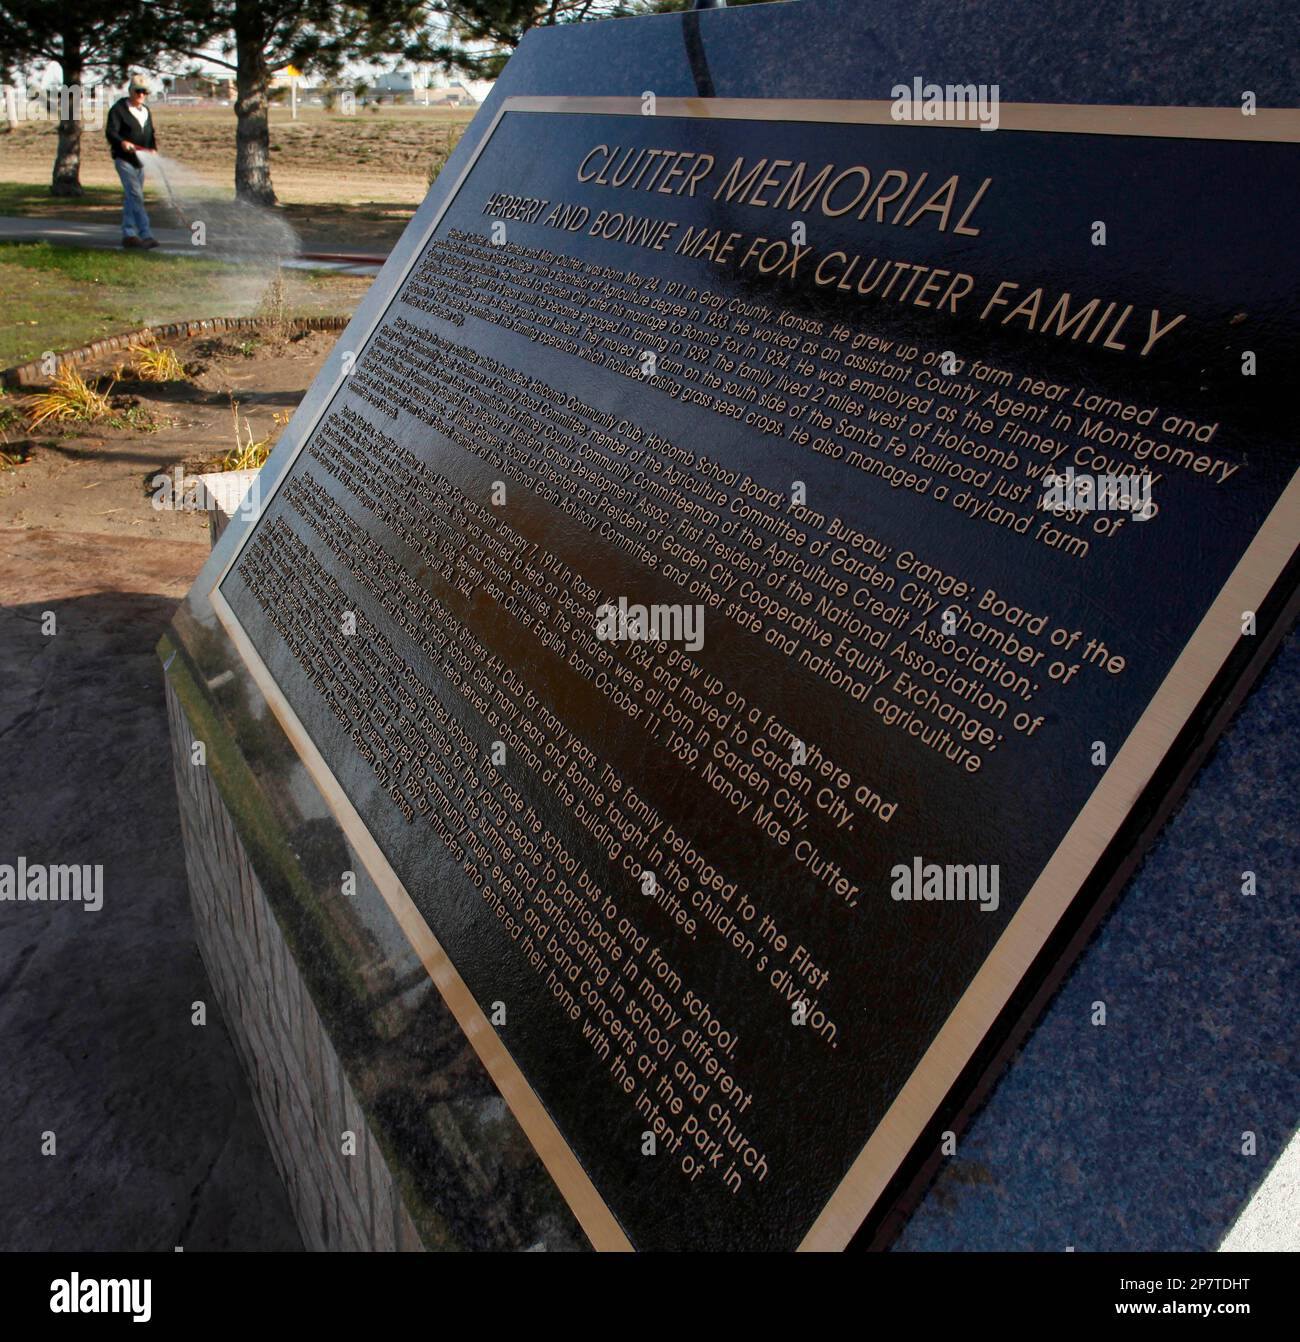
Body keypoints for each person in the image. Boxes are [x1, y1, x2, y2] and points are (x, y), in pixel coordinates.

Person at [106, 76, 158, 249]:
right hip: (124, 160)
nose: (141, 95)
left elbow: (150, 133)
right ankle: (146, 234)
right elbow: (111, 132)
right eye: (138, 91)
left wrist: (153, 149)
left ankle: (128, 234)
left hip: (140, 162)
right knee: (136, 195)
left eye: (144, 92)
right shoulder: (119, 110)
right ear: (130, 91)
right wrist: (122, 142)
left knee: (131, 197)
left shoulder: (146, 111)